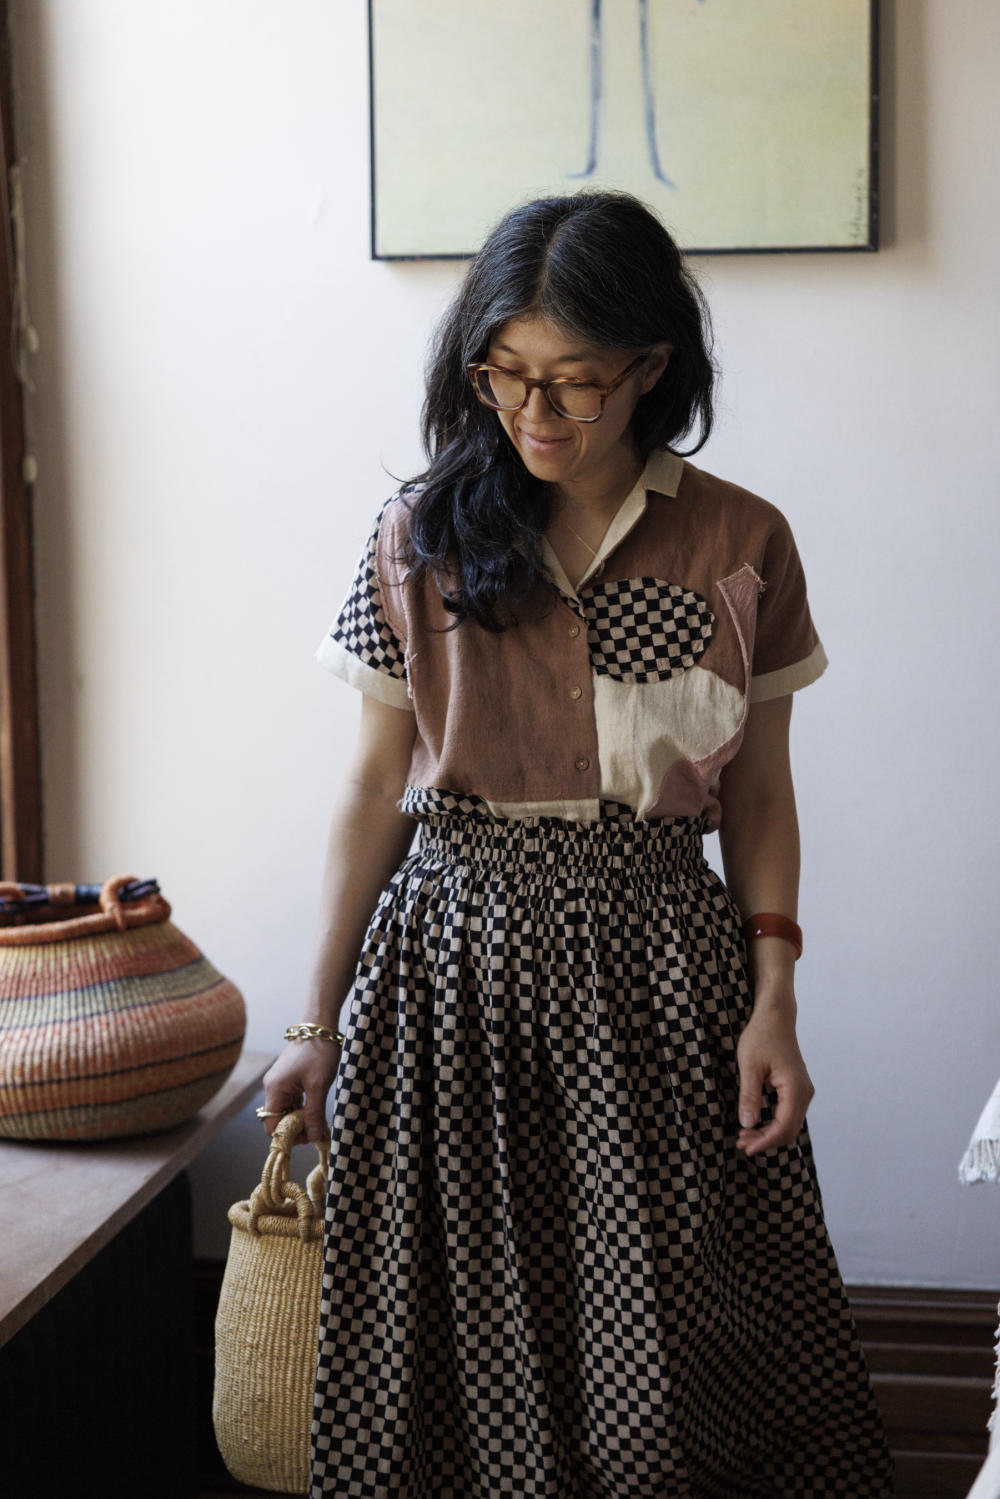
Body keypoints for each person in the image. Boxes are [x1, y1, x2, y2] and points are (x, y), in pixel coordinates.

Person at [261, 190, 894, 1498]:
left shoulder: (741, 540)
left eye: (575, 383)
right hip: (448, 974)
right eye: (506, 377)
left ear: (652, 366)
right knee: (448, 1330)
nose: (536, 415)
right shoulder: (416, 539)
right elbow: (373, 790)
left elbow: (761, 795)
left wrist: (776, 997)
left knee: (679, 1338)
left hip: (666, 976)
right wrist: (312, 1026)